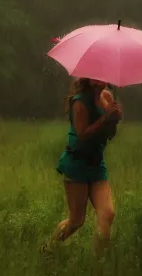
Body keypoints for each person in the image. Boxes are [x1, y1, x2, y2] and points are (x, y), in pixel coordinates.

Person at [40, 77, 123, 259]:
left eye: (103, 76)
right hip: (77, 162)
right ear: (88, 77)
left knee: (107, 214)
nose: (100, 80)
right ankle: (48, 249)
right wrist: (105, 118)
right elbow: (82, 134)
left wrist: (114, 120)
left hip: (97, 164)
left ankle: (98, 262)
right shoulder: (79, 102)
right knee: (76, 221)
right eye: (96, 76)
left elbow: (110, 135)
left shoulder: (107, 97)